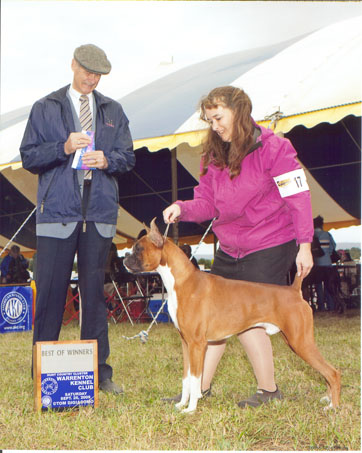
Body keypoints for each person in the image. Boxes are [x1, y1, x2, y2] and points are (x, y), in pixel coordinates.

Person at [163, 86, 314, 408]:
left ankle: (268, 390)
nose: (214, 125)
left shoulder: (276, 148)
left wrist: (305, 245)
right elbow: (206, 203)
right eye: (209, 120)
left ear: (239, 111)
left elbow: (298, 198)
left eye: (218, 117)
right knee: (212, 316)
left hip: (270, 241)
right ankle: (197, 389)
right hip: (230, 244)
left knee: (249, 317)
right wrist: (183, 209)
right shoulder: (212, 154)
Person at [20, 44, 135, 393]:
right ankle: (42, 370)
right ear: (73, 65)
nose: (92, 78)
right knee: (52, 293)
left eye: (98, 74)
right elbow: (28, 156)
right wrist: (64, 147)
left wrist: (108, 161)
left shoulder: (113, 110)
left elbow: (128, 157)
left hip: (98, 213)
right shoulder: (46, 107)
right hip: (56, 213)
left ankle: (100, 373)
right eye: (87, 70)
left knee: (94, 296)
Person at [312, 215, 338, 311]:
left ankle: (321, 307)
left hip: (316, 264)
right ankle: (331, 306)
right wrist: (328, 254)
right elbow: (333, 246)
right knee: (328, 285)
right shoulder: (327, 234)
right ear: (322, 224)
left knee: (318, 286)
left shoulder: (312, 235)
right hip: (327, 263)